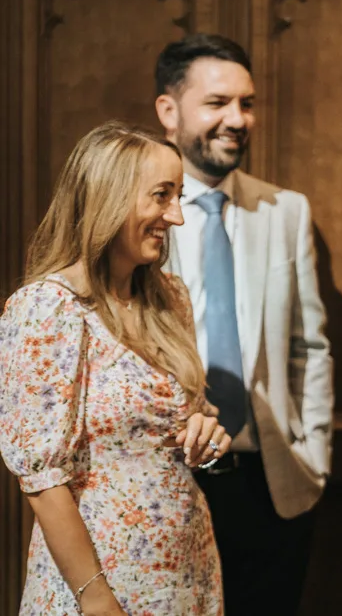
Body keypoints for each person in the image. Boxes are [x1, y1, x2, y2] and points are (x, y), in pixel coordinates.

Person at [0, 121, 229, 615]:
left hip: (187, 567)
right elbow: (42, 479)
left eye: (179, 196)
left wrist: (204, 430)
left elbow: (187, 414)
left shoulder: (171, 299)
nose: (176, 217)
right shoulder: (47, 309)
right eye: (161, 196)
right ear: (109, 198)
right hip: (101, 580)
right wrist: (97, 600)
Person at [154, 33, 334, 615]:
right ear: (168, 111)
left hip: (272, 481)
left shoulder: (285, 211)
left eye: (246, 103)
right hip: (168, 473)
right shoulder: (138, 215)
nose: (237, 119)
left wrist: (314, 457)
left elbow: (310, 348)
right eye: (217, 103)